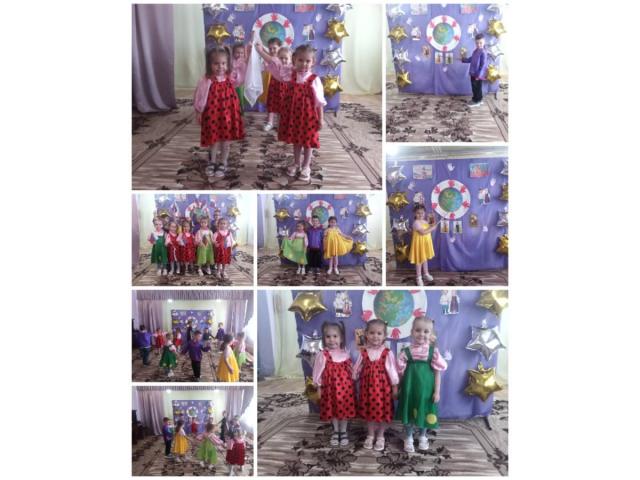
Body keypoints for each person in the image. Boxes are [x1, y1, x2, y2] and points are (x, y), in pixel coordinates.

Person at [255, 42, 326, 182]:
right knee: (296, 140)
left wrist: (321, 119)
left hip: (308, 117)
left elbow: (319, 102)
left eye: (307, 61)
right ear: (294, 60)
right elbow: (275, 63)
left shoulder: (314, 79)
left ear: (313, 62)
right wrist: (261, 52)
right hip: (293, 115)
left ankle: (306, 166)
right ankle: (296, 163)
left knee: (307, 141)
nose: (304, 64)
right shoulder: (289, 74)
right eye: (300, 60)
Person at [396, 316, 448, 452]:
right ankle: (408, 437)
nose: (421, 334)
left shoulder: (433, 352)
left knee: (424, 411)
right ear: (412, 332)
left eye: (426, 331)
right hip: (409, 389)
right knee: (409, 412)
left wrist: (437, 391)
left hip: (426, 390)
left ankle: (422, 436)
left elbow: (437, 373)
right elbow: (400, 373)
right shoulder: (406, 352)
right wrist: (397, 388)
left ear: (431, 334)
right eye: (418, 330)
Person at [193, 46, 245, 178]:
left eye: (223, 63)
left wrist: (243, 62)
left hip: (228, 113)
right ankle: (212, 161)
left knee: (226, 138)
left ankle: (223, 161)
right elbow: (199, 96)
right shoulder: (206, 80)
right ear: (209, 64)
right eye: (216, 63)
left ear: (228, 64)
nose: (220, 67)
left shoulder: (230, 77)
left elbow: (240, 79)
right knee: (213, 138)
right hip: (213, 114)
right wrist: (199, 111)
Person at [353, 319, 399, 451]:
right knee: (369, 411)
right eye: (372, 333)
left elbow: (392, 371)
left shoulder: (387, 353)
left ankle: (380, 435)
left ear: (384, 336)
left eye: (379, 333)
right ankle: (370, 434)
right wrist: (353, 378)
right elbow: (357, 368)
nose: (375, 336)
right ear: (366, 334)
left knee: (383, 411)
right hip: (367, 388)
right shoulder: (363, 352)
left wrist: (395, 388)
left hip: (383, 389)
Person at [312, 321, 356, 447]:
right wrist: (318, 388)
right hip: (330, 389)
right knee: (333, 410)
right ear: (324, 338)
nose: (332, 340)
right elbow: (317, 372)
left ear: (341, 338)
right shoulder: (323, 355)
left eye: (335, 336)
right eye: (328, 336)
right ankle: (336, 431)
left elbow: (351, 370)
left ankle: (343, 431)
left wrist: (355, 375)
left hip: (346, 390)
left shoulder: (345, 354)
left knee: (345, 410)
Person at [408, 205, 438, 286]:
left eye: (422, 213)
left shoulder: (424, 221)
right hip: (419, 244)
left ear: (424, 213)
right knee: (419, 260)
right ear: (415, 214)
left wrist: (432, 219)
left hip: (425, 243)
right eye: (418, 213)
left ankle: (426, 273)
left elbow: (431, 225)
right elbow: (423, 232)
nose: (420, 214)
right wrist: (433, 228)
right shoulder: (416, 223)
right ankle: (418, 277)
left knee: (424, 259)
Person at [261, 37, 285, 131]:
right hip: (273, 84)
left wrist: (261, 51)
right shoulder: (269, 59)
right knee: (271, 102)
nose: (272, 50)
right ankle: (270, 122)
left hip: (282, 85)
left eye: (274, 48)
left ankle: (280, 123)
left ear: (280, 48)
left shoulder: (283, 58)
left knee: (281, 103)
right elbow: (266, 68)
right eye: (270, 48)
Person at [461, 33, 488, 106]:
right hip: (473, 72)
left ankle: (476, 101)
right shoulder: (476, 51)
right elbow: (471, 58)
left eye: (480, 43)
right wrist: (464, 60)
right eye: (477, 43)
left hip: (478, 74)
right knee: (475, 87)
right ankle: (479, 99)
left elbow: (483, 65)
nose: (479, 44)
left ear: (484, 42)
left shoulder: (483, 52)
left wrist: (478, 75)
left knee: (477, 88)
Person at [231, 43, 249, 114]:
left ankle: (242, 109)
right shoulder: (231, 61)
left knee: (241, 97)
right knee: (234, 97)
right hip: (233, 83)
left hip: (241, 83)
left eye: (242, 53)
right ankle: (235, 109)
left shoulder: (244, 60)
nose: (240, 55)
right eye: (237, 52)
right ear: (233, 53)